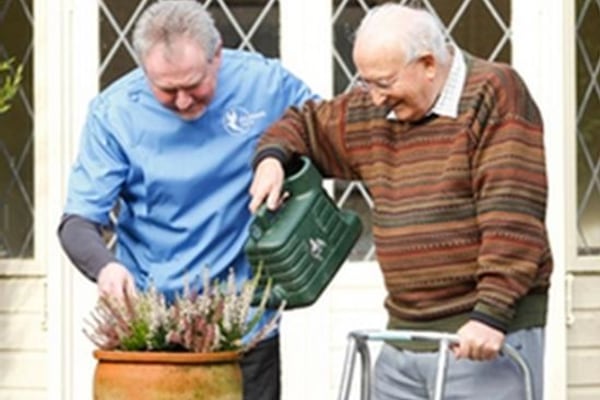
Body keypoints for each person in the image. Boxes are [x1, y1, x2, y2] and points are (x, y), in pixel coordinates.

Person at [248, 4, 551, 400]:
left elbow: (512, 212)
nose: (374, 99)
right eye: (366, 83)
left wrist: (491, 314)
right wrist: (272, 158)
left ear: (427, 63)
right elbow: (303, 123)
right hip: (403, 335)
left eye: (384, 83)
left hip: (479, 335)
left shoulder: (494, 93)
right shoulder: (374, 109)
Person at [57, 1, 317, 399]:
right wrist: (106, 268)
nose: (182, 101)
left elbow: (324, 130)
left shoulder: (264, 84)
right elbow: (78, 222)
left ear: (218, 56)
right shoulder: (114, 114)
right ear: (144, 69)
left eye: (194, 85)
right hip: (153, 330)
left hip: (242, 325)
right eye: (166, 89)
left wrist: (277, 156)